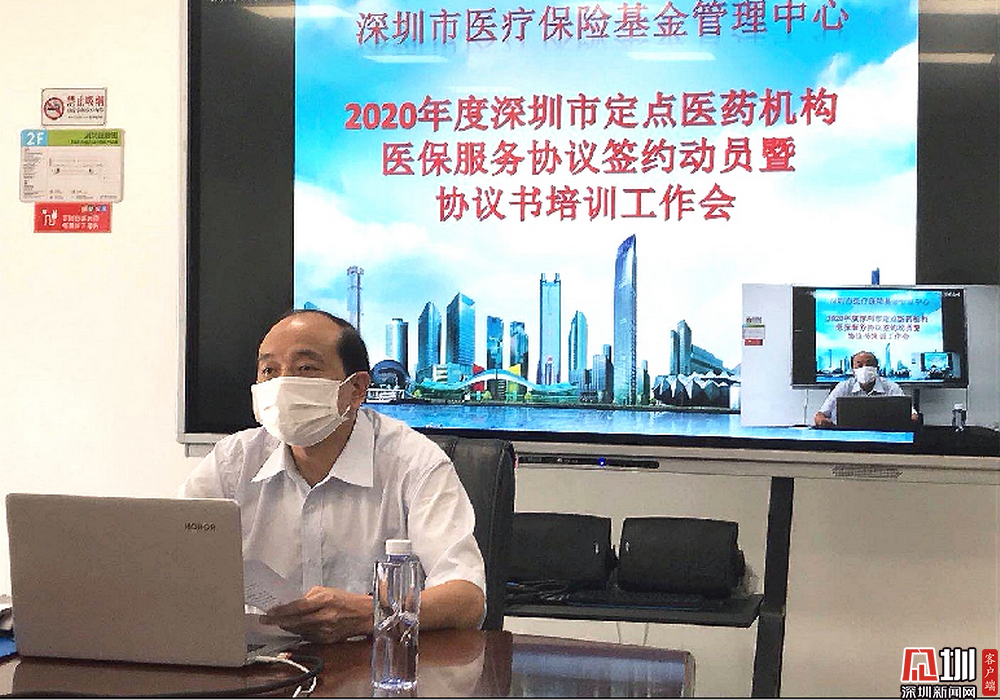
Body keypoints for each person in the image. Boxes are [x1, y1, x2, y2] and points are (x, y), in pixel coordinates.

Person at [180, 309, 486, 643]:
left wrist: (372, 612)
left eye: (305, 368)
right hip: (259, 660)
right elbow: (167, 551)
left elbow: (467, 600)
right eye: (269, 370)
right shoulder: (233, 461)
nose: (282, 385)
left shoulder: (414, 462)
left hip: (377, 660)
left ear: (356, 388)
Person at [813, 350, 916, 427]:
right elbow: (820, 415)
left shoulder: (891, 387)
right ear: (853, 370)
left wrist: (912, 419)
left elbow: (912, 415)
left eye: (869, 364)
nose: (865, 368)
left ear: (877, 368)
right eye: (859, 365)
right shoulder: (843, 387)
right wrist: (822, 421)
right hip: (847, 438)